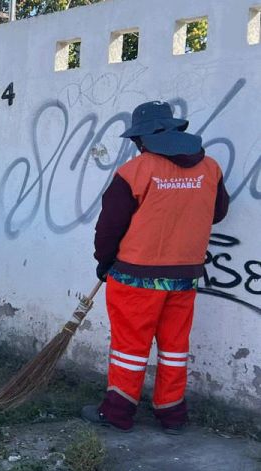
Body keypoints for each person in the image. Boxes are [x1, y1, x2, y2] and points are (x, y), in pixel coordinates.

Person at [83, 101, 229, 434]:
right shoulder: (210, 168)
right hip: (185, 277)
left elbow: (109, 228)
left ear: (142, 138)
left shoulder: (135, 171)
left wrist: (104, 262)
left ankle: (118, 412)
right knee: (175, 346)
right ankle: (172, 414)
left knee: (130, 349)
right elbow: (217, 213)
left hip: (135, 278)